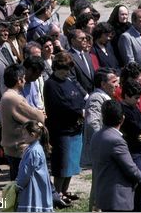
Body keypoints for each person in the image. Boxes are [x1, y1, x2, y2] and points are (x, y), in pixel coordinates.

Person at [43, 52, 85, 204]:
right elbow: (60, 105)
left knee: (72, 164)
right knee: (62, 165)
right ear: (56, 68)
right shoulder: (51, 84)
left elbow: (80, 98)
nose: (66, 72)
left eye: (68, 69)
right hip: (61, 130)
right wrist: (79, 112)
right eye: (63, 69)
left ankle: (65, 191)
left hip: (75, 128)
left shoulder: (69, 81)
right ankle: (57, 194)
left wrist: (81, 110)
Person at [90, 99, 141, 212]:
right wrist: (140, 176)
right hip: (118, 200)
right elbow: (132, 170)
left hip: (103, 196)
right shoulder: (116, 141)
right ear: (122, 119)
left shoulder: (96, 136)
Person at [0, 64, 45, 181]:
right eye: (23, 78)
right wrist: (41, 114)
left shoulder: (6, 95)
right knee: (23, 185)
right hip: (18, 148)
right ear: (19, 80)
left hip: (11, 148)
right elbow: (38, 117)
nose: (25, 81)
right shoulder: (15, 98)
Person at [120, 80, 141, 212]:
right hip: (132, 151)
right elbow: (136, 127)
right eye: (136, 98)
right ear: (126, 95)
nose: (138, 101)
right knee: (139, 181)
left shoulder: (133, 107)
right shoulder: (123, 110)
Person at [16, 121, 53, 213]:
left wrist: (19, 185)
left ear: (32, 135)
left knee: (33, 207)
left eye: (24, 134)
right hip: (38, 185)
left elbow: (26, 172)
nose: (23, 136)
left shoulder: (33, 151)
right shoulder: (35, 148)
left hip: (33, 187)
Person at [67, 28, 95, 95]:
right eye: (81, 38)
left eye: (85, 38)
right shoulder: (69, 56)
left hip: (93, 93)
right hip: (81, 96)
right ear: (73, 41)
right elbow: (73, 79)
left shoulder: (86, 54)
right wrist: (85, 95)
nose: (85, 40)